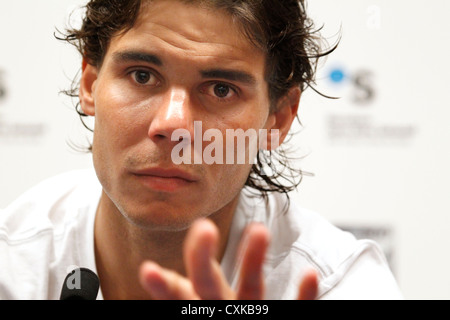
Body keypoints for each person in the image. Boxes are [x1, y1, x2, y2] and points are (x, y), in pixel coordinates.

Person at [0, 0, 403, 300]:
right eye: (142, 76)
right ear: (90, 84)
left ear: (276, 119)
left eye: (221, 89)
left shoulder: (339, 286)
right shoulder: (13, 265)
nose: (172, 126)